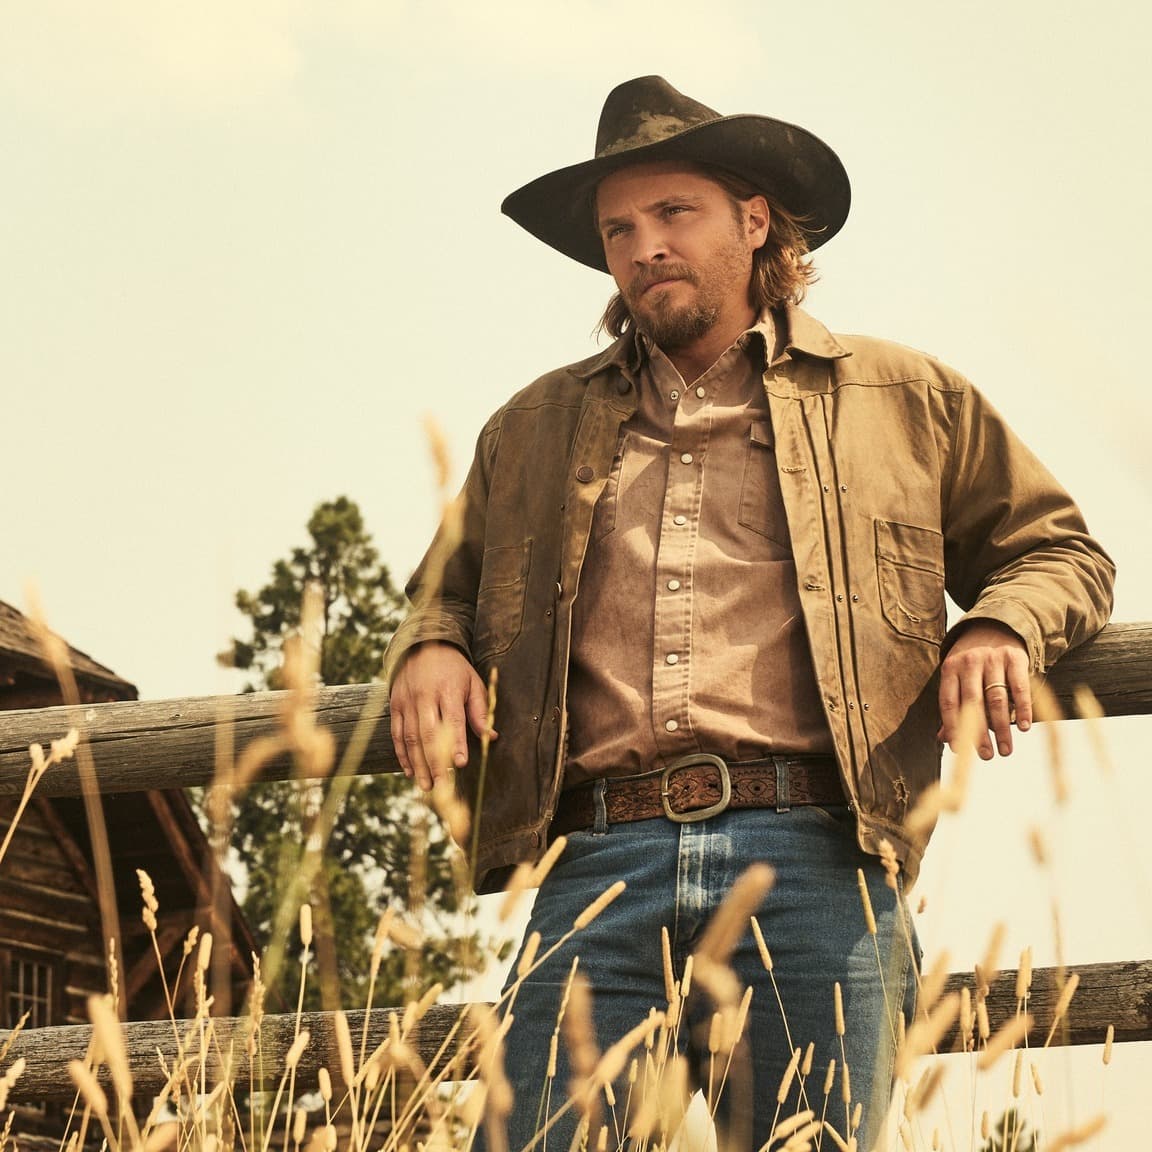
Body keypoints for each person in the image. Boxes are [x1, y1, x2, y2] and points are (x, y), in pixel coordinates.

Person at [384, 76, 1114, 1151]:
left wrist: (999, 626)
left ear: (756, 219)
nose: (642, 248)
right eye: (618, 230)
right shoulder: (528, 430)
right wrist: (433, 643)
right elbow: (439, 590)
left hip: (816, 856)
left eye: (674, 213)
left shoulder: (907, 399)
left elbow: (1059, 551)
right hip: (594, 864)